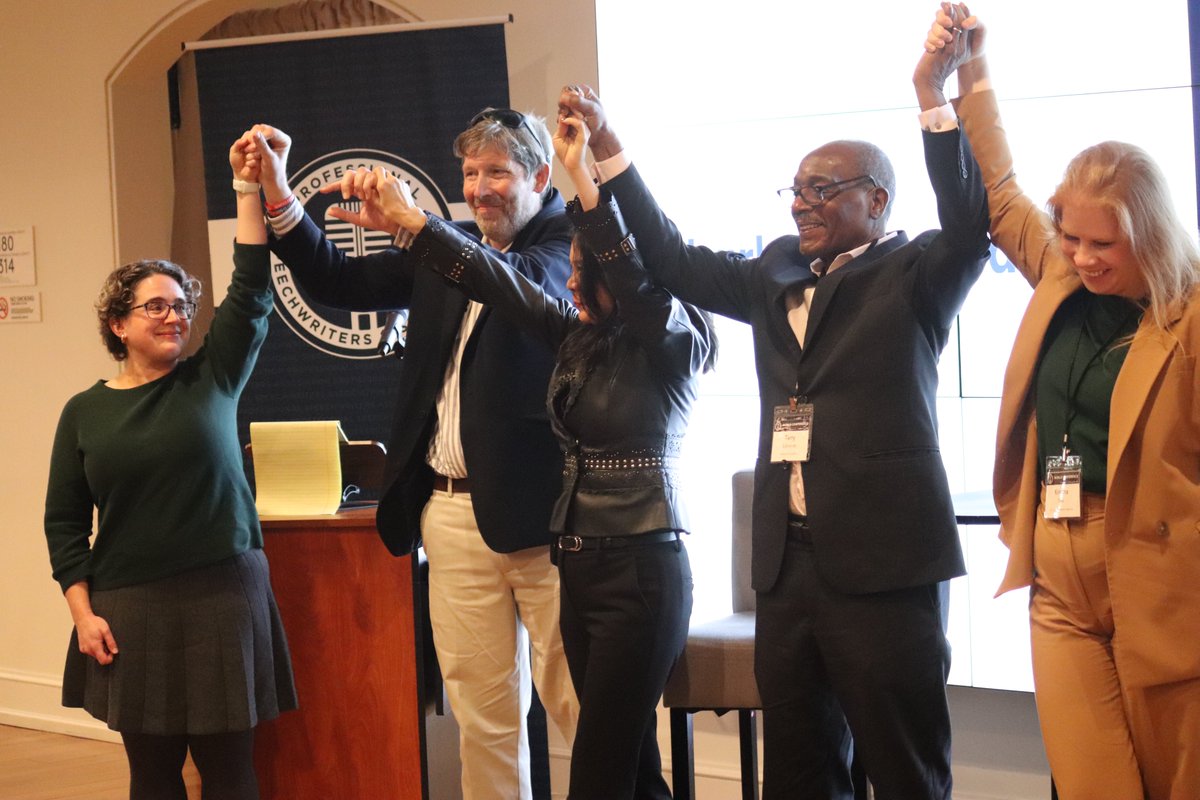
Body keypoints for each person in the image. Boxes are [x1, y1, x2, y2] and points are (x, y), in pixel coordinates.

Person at [559, 80, 990, 799]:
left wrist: (934, 99)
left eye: (821, 190)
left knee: (904, 768)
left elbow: (972, 224)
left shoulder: (914, 273)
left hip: (884, 571)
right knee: (799, 770)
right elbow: (669, 258)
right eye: (794, 191)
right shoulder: (773, 273)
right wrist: (606, 151)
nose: (800, 204)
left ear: (877, 201)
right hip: (789, 572)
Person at [360, 105, 716, 800]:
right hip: (579, 553)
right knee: (600, 760)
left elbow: (626, 272)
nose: (574, 286)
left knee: (608, 756)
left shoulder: (676, 340)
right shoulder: (577, 338)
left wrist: (585, 174)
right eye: (575, 275)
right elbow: (503, 285)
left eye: (591, 276)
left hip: (638, 568)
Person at [240, 111, 579, 799]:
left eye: (498, 173)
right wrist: (280, 196)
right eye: (470, 174)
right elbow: (338, 281)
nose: (480, 188)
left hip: (550, 523)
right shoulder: (448, 246)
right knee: (482, 714)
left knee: (578, 704)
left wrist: (417, 226)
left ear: (541, 177)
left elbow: (530, 292)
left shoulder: (570, 242)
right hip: (450, 514)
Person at [921, 6, 1200, 798]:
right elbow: (1000, 187)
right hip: (1058, 575)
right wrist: (970, 71)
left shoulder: (1189, 318)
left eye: (1101, 244)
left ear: (1149, 234)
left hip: (1167, 587)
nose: (1080, 256)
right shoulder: (1061, 277)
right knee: (1091, 784)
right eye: (1071, 237)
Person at [43, 131, 296, 800]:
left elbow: (249, 288)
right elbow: (64, 526)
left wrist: (247, 187)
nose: (175, 316)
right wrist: (83, 613)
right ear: (117, 324)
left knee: (230, 771)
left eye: (182, 305)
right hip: (131, 609)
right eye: (155, 305)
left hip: (224, 596)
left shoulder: (213, 378)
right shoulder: (83, 413)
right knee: (153, 774)